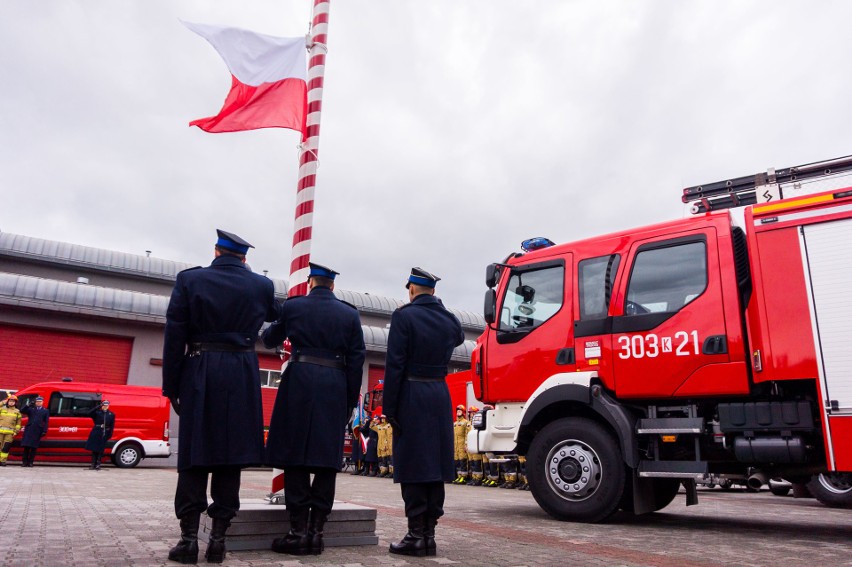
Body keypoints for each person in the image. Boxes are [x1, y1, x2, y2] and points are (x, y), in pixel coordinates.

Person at [162, 229, 278, 565]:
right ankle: (218, 540)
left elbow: (174, 336)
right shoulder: (261, 285)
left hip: (200, 367)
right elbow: (274, 314)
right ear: (244, 257)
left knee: (195, 456)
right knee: (231, 456)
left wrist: (172, 385)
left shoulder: (190, 280)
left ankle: (187, 541)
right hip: (242, 370)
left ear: (216, 251)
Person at [262, 262, 365, 556]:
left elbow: (269, 339)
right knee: (325, 460)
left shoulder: (293, 307)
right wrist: (348, 399)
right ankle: (317, 534)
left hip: (299, 381)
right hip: (334, 384)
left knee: (294, 457)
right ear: (332, 285)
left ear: (310, 283)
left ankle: (297, 532)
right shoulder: (349, 314)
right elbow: (357, 360)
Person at [384, 267, 464, 558]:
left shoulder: (404, 316)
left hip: (411, 394)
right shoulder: (448, 320)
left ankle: (415, 535)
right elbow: (456, 337)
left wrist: (389, 408)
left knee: (414, 465)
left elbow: (394, 365)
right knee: (434, 467)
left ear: (412, 289)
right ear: (433, 291)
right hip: (439, 394)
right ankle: (429, 536)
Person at [85, 400, 115, 470]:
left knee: (100, 450)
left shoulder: (111, 414)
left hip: (104, 433)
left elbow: (112, 425)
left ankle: (98, 464)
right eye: (104, 405)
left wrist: (110, 434)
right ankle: (93, 464)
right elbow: (89, 413)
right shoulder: (98, 413)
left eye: (107, 405)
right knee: (94, 449)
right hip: (96, 432)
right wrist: (98, 406)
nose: (105, 407)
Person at [0, 395, 22, 466]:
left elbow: (18, 423)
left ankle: (2, 461)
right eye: (10, 401)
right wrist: (3, 402)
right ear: (8, 401)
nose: (11, 402)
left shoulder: (17, 412)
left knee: (6, 448)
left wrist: (16, 431)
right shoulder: (2, 409)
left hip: (9, 433)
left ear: (15, 403)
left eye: (13, 401)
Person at [452, 405, 471, 484]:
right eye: (457, 411)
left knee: (463, 461)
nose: (458, 412)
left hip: (462, 444)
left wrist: (466, 444)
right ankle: (459, 476)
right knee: (457, 462)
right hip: (456, 445)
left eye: (460, 411)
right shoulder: (455, 423)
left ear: (463, 412)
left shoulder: (465, 422)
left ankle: (464, 477)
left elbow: (467, 434)